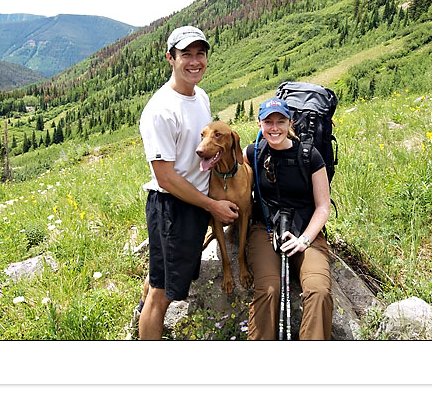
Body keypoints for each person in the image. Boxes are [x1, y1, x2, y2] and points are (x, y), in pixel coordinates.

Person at [137, 25, 239, 340]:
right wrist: (212, 206)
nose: (194, 62)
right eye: (186, 55)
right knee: (163, 292)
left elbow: (208, 150)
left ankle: (139, 316)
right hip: (173, 208)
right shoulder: (161, 110)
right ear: (171, 58)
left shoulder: (200, 97)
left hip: (194, 203)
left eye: (200, 54)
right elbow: (165, 177)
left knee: (161, 275)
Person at [243, 97, 333, 340]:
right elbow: (233, 181)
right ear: (259, 123)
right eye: (268, 122)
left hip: (305, 231)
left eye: (280, 121)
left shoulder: (309, 155)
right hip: (265, 230)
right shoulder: (252, 153)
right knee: (269, 289)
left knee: (318, 290)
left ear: (290, 122)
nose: (274, 128)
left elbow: (323, 207)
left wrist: (304, 240)